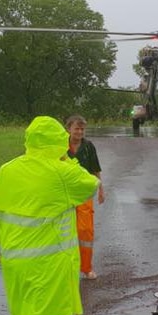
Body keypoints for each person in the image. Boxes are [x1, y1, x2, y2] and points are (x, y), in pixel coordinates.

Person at [0, 116, 100, 315]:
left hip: (16, 265)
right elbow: (91, 183)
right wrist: (66, 159)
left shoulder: (8, 170)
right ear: (61, 142)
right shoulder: (62, 172)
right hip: (48, 268)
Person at [64, 114, 105, 280]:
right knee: (64, 232)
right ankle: (66, 268)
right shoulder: (60, 146)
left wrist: (101, 189)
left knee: (85, 231)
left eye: (82, 129)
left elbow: (96, 169)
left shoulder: (89, 147)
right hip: (64, 194)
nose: (80, 132)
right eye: (76, 128)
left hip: (84, 194)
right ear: (68, 129)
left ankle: (86, 268)